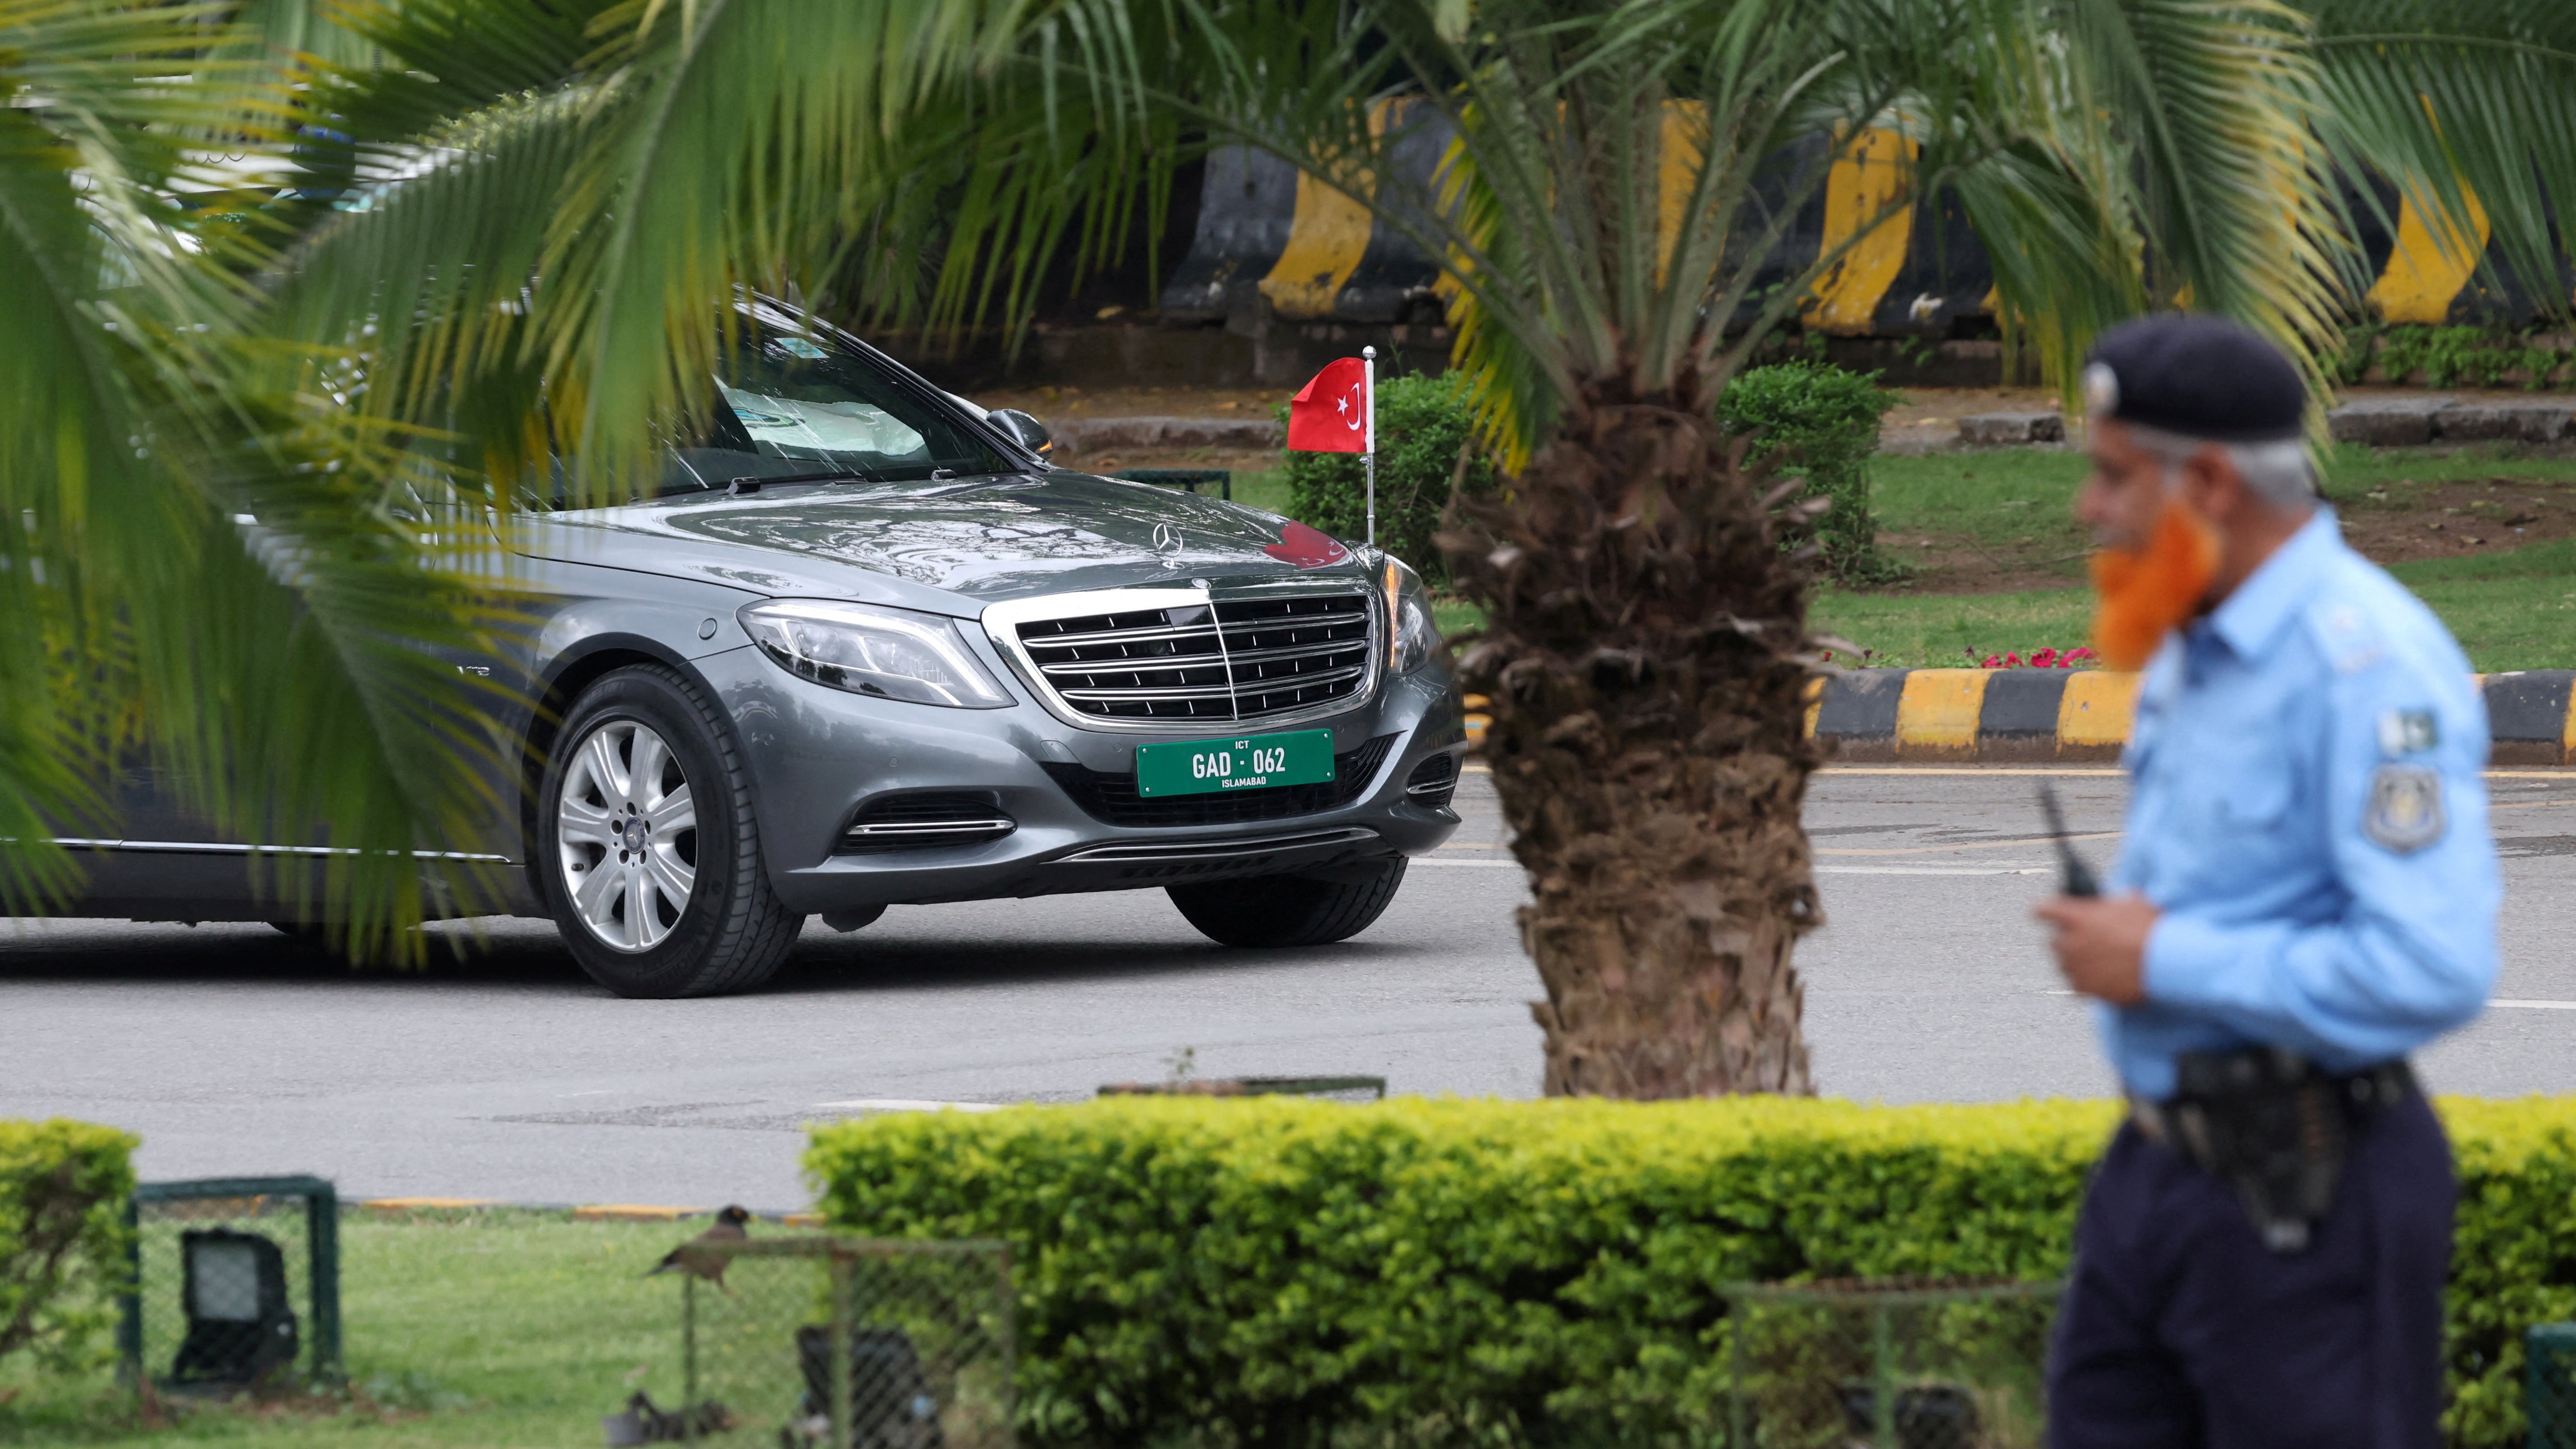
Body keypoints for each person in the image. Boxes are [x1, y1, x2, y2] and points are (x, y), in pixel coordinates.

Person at [2034, 314, 2498, 1448]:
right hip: (2155, 1176)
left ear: (2206, 481)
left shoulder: (2367, 663)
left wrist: (2159, 958)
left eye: (2110, 475)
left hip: (2310, 1197)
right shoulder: (2190, 637)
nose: (2088, 509)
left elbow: (2429, 964)